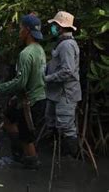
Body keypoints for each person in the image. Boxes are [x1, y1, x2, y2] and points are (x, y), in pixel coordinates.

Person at [0, 14, 46, 169]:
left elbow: (20, 82)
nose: (19, 32)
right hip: (30, 98)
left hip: (30, 101)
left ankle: (32, 166)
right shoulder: (39, 49)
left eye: (20, 28)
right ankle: (17, 154)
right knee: (9, 119)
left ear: (27, 31)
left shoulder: (26, 54)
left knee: (27, 138)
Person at [45, 11, 81, 157]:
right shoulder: (61, 43)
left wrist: (47, 78)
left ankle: (71, 161)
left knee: (66, 127)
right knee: (51, 122)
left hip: (65, 94)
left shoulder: (67, 45)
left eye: (54, 25)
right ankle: (57, 158)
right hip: (56, 93)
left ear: (60, 27)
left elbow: (68, 71)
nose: (52, 27)